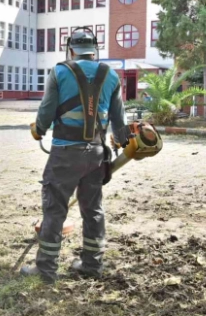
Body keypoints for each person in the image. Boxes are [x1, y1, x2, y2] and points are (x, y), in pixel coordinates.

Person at [22, 30, 129, 283]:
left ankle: (46, 270)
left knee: (55, 209)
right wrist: (124, 142)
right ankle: (92, 264)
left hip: (65, 155)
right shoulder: (111, 75)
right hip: (96, 154)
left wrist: (37, 130)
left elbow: (46, 111)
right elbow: (120, 121)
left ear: (71, 50)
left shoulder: (60, 72)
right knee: (93, 209)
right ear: (94, 49)